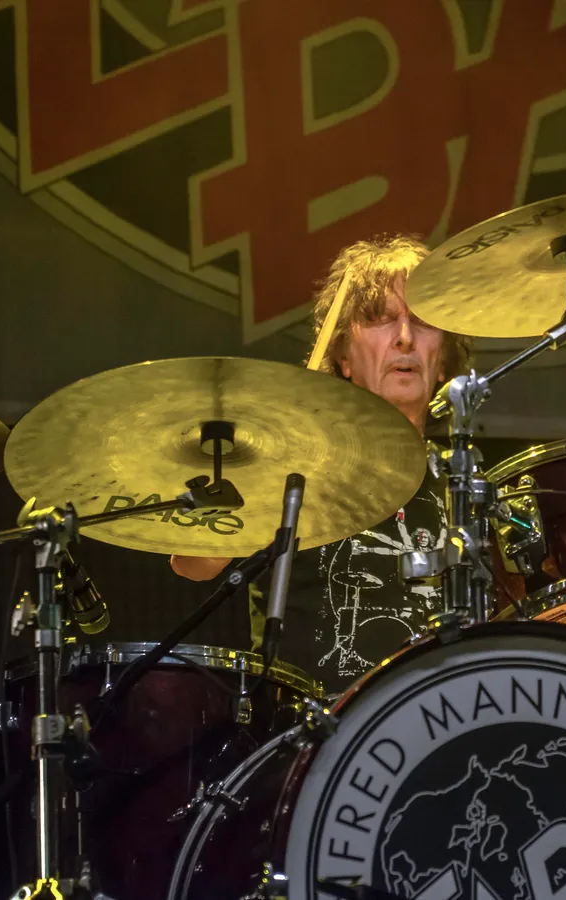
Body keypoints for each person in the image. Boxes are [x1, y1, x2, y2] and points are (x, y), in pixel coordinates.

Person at [171, 235, 472, 692]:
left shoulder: (465, 487)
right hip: (310, 724)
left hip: (440, 717)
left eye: (422, 322)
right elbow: (193, 565)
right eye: (381, 319)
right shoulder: (293, 469)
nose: (405, 337)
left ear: (444, 360)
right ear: (343, 357)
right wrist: (262, 474)